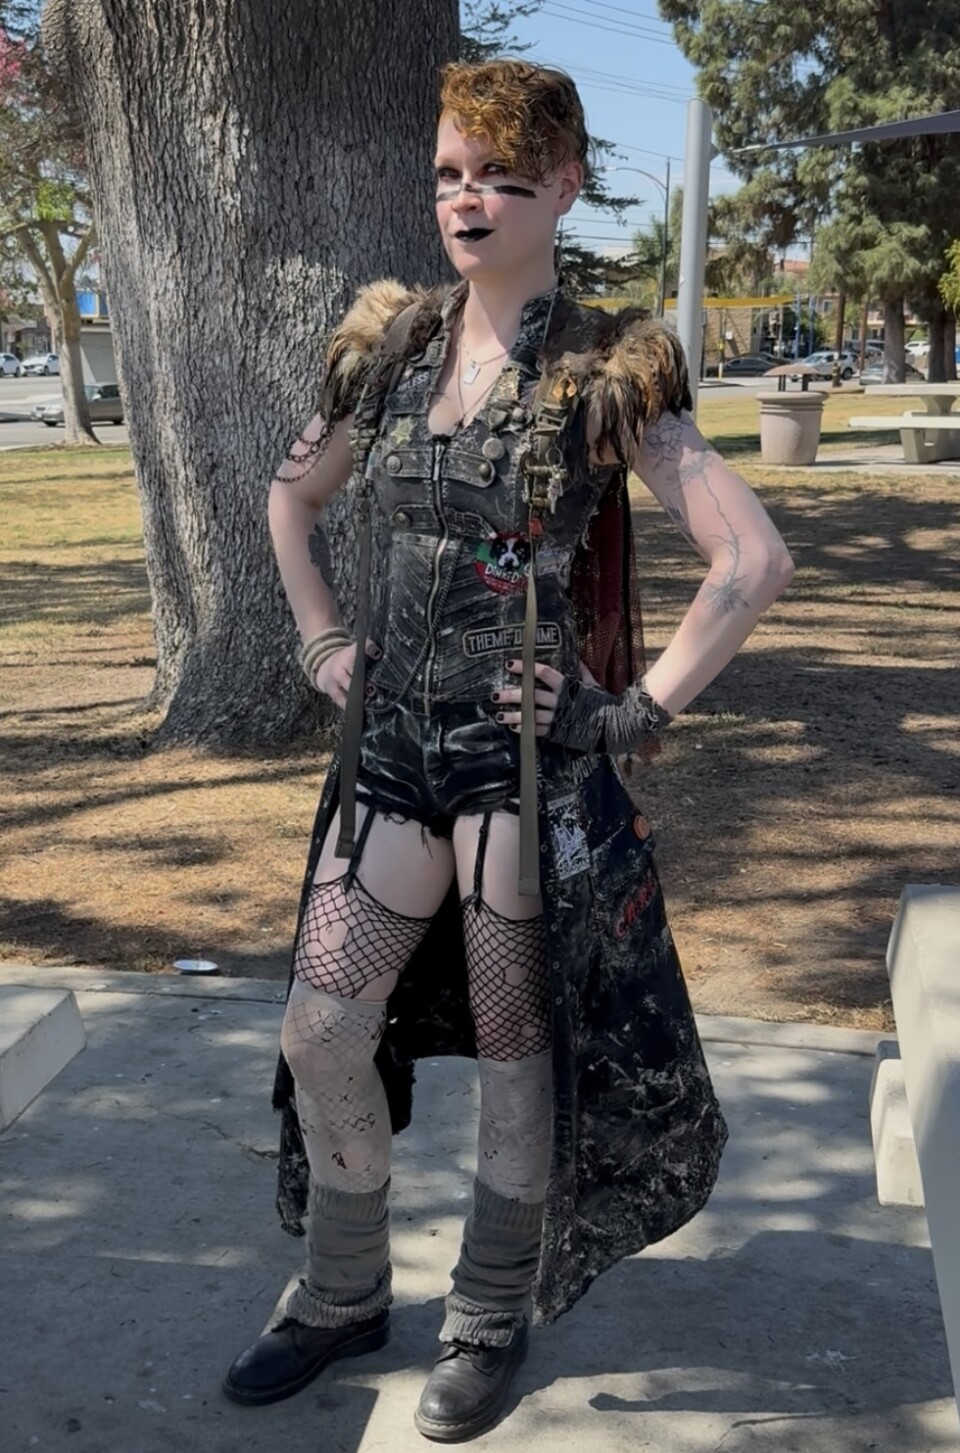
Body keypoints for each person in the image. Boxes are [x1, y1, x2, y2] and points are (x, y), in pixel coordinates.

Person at [222, 57, 794, 1442]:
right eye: (449, 175)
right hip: (390, 756)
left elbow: (752, 559)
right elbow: (291, 500)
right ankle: (345, 1286)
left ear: (566, 186)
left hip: (521, 777)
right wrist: (320, 641)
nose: (466, 200)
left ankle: (488, 1312)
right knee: (321, 1027)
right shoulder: (393, 351)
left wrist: (625, 714)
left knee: (516, 1050)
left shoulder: (605, 373)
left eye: (499, 176)